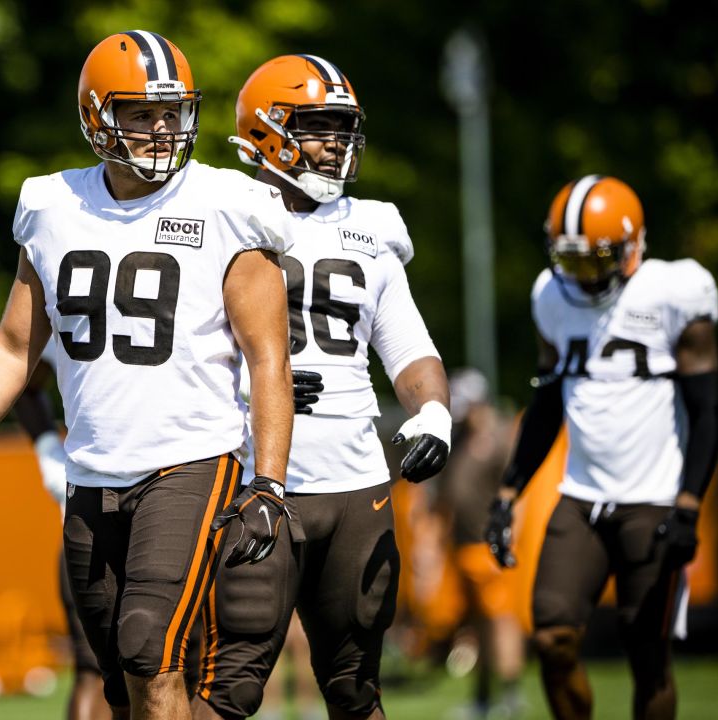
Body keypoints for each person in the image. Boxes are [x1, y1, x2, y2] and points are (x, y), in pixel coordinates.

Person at [0, 31, 295, 720]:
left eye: (171, 111)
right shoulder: (53, 206)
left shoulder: (227, 204)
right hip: (91, 474)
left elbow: (269, 358)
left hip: (190, 460)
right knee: (119, 681)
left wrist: (268, 480)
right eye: (141, 112)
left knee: (149, 648)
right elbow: (12, 347)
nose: (160, 128)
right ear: (95, 116)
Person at [192, 54, 451, 720]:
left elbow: (412, 351)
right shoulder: (217, 213)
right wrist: (251, 390)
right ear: (268, 129)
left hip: (356, 479)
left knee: (355, 687)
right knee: (230, 686)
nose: (336, 142)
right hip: (251, 474)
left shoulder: (373, 230)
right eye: (318, 126)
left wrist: (433, 414)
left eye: (344, 128)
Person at [484, 175, 718, 720]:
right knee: (552, 637)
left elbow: (708, 410)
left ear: (634, 248)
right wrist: (508, 491)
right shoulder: (551, 295)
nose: (581, 276)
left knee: (648, 655)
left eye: (596, 260)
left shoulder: (674, 293)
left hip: (654, 498)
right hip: (581, 496)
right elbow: (547, 403)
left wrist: (689, 504)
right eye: (571, 260)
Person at [11, 361, 109, 720]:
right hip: (93, 517)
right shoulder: (62, 304)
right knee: (93, 669)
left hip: (158, 511)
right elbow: (18, 369)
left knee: (101, 670)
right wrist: (51, 456)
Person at [432, 368, 524, 719]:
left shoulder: (500, 439)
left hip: (490, 545)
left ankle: (511, 694)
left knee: (500, 620)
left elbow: (518, 491)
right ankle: (484, 697)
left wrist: (509, 533)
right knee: (478, 625)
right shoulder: (459, 442)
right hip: (462, 546)